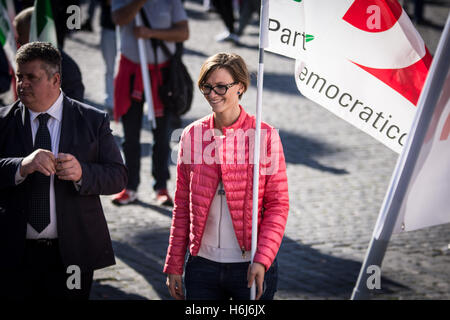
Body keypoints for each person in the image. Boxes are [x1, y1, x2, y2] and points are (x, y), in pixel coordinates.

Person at [0, 42, 127, 300]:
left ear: (55, 79)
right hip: (13, 252)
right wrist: (20, 166)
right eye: (18, 77)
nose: (22, 84)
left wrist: (83, 174)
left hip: (72, 254)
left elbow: (118, 176)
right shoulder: (4, 121)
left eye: (31, 78)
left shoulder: (92, 120)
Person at [164, 53, 289, 300]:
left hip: (250, 264)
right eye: (207, 87)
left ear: (240, 86)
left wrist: (262, 259)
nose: (212, 94)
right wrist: (174, 264)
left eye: (221, 86)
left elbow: (278, 205)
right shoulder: (191, 135)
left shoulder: (265, 135)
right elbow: (182, 205)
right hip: (202, 266)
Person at [111, 0, 189, 206]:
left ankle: (161, 185)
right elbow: (118, 19)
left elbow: (183, 33)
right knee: (131, 134)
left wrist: (151, 33)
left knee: (162, 134)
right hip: (130, 70)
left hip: (162, 74)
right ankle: (130, 186)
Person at [14, 6, 85, 102]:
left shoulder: (65, 68)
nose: (18, 40)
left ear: (33, 32)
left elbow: (73, 110)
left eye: (20, 33)